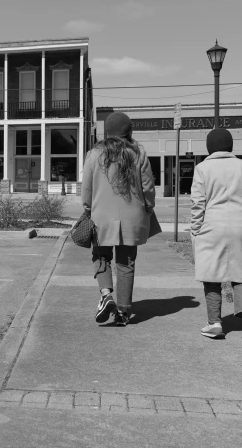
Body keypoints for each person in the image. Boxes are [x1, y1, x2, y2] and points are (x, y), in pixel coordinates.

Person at [190, 128, 242, 342]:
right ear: (231, 146)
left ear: (209, 147)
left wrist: (195, 229)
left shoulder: (202, 168)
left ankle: (214, 323)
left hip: (212, 226)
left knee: (211, 274)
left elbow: (198, 203)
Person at [82, 112, 158, 326]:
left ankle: (106, 294)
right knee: (126, 263)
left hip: (101, 216)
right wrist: (148, 208)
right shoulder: (138, 152)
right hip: (131, 217)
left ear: (106, 131)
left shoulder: (94, 154)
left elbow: (86, 189)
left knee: (101, 256)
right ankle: (123, 312)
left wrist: (88, 209)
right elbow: (148, 186)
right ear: (129, 131)